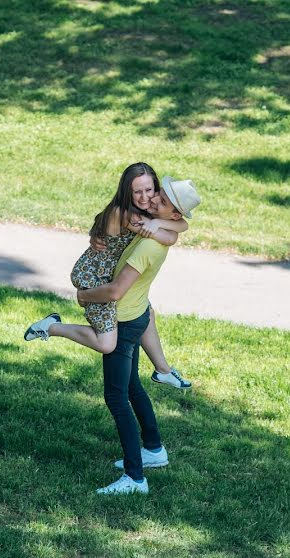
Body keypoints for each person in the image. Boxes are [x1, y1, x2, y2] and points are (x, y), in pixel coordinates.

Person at [36, 174, 202, 495]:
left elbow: (114, 291)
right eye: (155, 195)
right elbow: (173, 228)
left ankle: (135, 478)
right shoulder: (153, 226)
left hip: (124, 322)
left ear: (173, 213)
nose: (153, 200)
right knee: (132, 387)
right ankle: (153, 450)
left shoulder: (150, 244)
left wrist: (84, 297)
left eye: (161, 200)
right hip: (137, 315)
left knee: (116, 397)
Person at [25, 163, 192, 389]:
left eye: (150, 191)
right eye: (138, 192)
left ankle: (163, 370)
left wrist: (160, 221)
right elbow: (171, 237)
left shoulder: (149, 213)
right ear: (127, 192)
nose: (146, 198)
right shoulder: (129, 216)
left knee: (146, 312)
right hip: (95, 277)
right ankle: (50, 327)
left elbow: (181, 225)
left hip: (111, 270)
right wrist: (158, 224)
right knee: (106, 344)